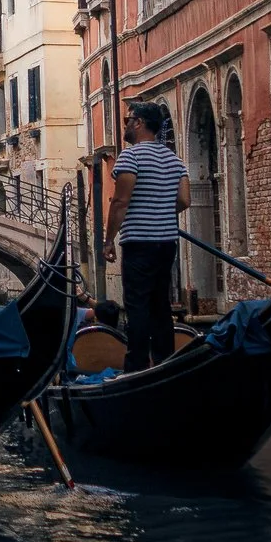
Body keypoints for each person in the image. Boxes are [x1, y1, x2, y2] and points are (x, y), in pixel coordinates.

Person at [102, 101, 189, 372]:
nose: (125, 126)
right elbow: (184, 200)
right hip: (166, 243)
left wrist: (108, 240)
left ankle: (137, 366)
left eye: (127, 120)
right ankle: (164, 361)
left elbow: (120, 201)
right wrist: (160, 210)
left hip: (139, 242)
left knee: (137, 305)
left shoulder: (130, 157)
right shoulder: (175, 161)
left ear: (139, 123)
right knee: (160, 304)